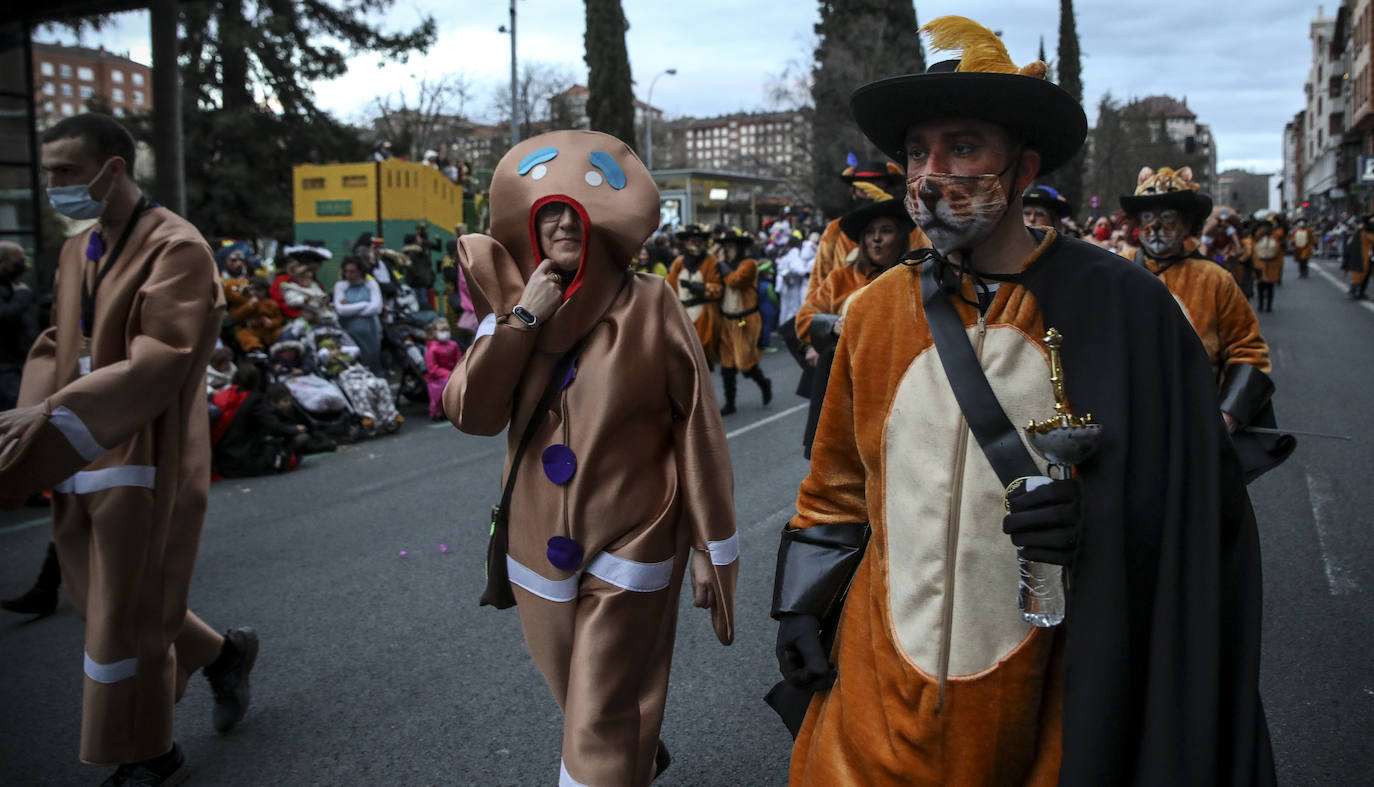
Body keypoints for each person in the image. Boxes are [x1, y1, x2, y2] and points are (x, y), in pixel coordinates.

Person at [771, 18, 1274, 785]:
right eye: (916, 152)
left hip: (1045, 721)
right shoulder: (874, 312)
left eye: (963, 146)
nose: (931, 174)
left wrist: (1095, 519)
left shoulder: (1124, 308)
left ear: (1023, 165)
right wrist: (802, 602)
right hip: (872, 718)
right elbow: (836, 481)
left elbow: (1193, 521)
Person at [444, 130, 737, 787]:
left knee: (597, 713)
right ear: (528, 224)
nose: (559, 221)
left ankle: (608, 749)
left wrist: (708, 545)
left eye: (573, 209)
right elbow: (473, 414)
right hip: (535, 542)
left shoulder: (652, 304)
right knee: (583, 698)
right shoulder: (510, 300)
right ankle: (624, 748)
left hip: (636, 534)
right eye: (546, 210)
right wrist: (520, 319)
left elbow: (698, 427)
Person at [0, 112, 257, 786]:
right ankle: (223, 653)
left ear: (113, 169)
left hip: (147, 453)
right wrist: (29, 425)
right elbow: (57, 346)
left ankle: (147, 750)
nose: (54, 184)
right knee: (105, 601)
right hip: (80, 450)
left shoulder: (178, 247)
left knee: (126, 615)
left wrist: (50, 413)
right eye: (48, 170)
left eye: (66, 172)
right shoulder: (77, 251)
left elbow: (162, 358)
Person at [1120, 166, 1292, 479]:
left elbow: (1248, 349)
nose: (1156, 226)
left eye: (1169, 216)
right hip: (1126, 429)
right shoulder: (1114, 270)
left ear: (1187, 223)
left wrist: (1227, 416)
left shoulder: (1215, 279)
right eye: (1147, 217)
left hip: (1194, 431)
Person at [793, 195, 913, 458]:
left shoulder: (914, 278)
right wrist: (832, 326)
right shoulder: (841, 279)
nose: (876, 239)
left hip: (895, 388)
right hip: (840, 386)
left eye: (886, 231)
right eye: (870, 233)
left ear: (901, 236)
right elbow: (804, 320)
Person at [714, 228, 772, 415]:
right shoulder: (721, 265)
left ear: (739, 247)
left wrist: (722, 265)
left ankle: (764, 383)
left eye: (731, 245)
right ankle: (730, 404)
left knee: (744, 363)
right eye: (726, 246)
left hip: (744, 320)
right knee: (727, 365)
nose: (728, 249)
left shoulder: (749, 264)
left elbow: (735, 281)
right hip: (726, 320)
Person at [212, 378, 305, 478]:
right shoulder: (254, 401)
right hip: (244, 458)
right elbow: (274, 427)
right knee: (299, 439)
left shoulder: (228, 398)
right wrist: (294, 429)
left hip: (225, 459)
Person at [665, 223, 723, 364]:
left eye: (699, 241)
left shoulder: (711, 261)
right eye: (692, 241)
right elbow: (669, 287)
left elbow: (718, 289)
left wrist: (699, 288)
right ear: (685, 242)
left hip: (705, 315)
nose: (696, 244)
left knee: (702, 358)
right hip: (683, 315)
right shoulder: (679, 262)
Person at [0, 240, 39, 410]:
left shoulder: (13, 285)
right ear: (3, 262)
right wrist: (22, 297)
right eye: (18, 261)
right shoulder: (19, 291)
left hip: (18, 362)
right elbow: (4, 315)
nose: (22, 265)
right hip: (5, 367)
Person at [333, 256, 384, 373]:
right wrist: (365, 304)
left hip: (370, 332)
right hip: (348, 332)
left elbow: (376, 308)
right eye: (346, 271)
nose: (348, 275)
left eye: (352, 271)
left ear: (360, 271)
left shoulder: (371, 284)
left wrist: (350, 308)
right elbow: (341, 310)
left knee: (372, 360)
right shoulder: (340, 286)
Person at [230, 277, 283, 355]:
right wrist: (249, 306)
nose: (254, 293)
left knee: (278, 333)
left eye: (259, 290)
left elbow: (279, 319)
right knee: (243, 334)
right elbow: (236, 317)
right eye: (251, 290)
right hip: (251, 329)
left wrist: (271, 322)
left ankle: (281, 350)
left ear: (265, 291)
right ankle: (255, 351)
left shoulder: (271, 304)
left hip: (267, 331)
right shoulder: (243, 302)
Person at [423, 317, 461, 421]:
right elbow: (432, 368)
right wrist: (449, 374)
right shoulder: (432, 348)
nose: (445, 333)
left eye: (446, 330)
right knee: (446, 385)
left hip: (452, 374)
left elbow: (459, 360)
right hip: (436, 379)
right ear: (434, 332)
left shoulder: (454, 345)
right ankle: (437, 412)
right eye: (441, 330)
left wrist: (458, 371)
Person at [1252, 220, 1282, 312]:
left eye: (1268, 227)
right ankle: (1260, 304)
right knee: (1260, 286)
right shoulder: (1257, 238)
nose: (1266, 229)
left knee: (1270, 286)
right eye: (1264, 227)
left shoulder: (1275, 237)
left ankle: (1269, 305)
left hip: (1271, 265)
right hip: (1259, 264)